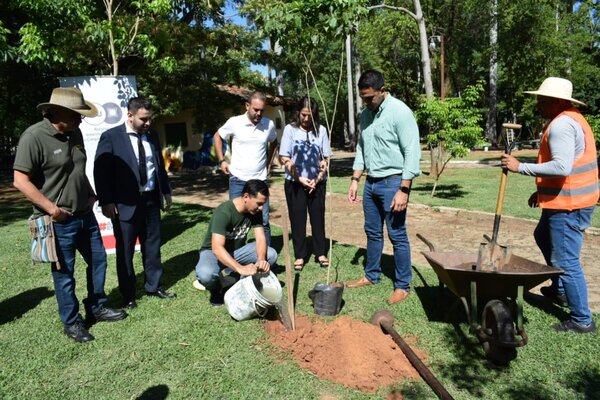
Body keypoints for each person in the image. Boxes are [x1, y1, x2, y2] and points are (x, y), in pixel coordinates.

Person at [13, 87, 127, 343]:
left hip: (85, 214)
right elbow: (20, 181)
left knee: (98, 262)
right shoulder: (34, 136)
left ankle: (97, 306)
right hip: (58, 221)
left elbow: (78, 168)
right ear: (56, 112)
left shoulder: (75, 132)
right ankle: (72, 322)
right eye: (76, 114)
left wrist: (89, 192)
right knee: (65, 275)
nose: (81, 119)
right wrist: (52, 209)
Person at [502, 77, 598, 334]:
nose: (538, 104)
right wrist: (542, 191)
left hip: (569, 204)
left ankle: (582, 320)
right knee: (542, 235)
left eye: (542, 100)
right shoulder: (573, 117)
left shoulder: (561, 126)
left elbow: (562, 166)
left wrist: (519, 166)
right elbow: (571, 164)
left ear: (558, 101)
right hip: (568, 198)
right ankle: (560, 290)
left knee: (566, 260)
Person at [346, 69, 421, 305]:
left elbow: (411, 151)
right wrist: (356, 179)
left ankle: (402, 285)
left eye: (370, 97)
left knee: (397, 235)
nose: (366, 102)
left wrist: (404, 189)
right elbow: (361, 147)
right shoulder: (366, 115)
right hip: (371, 183)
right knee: (372, 232)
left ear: (382, 90)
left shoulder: (400, 112)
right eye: (363, 98)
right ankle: (372, 275)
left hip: (393, 182)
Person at [94, 97, 175, 309]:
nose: (148, 123)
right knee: (126, 251)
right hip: (124, 204)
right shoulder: (111, 137)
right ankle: (128, 295)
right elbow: (100, 172)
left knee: (153, 246)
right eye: (143, 119)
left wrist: (165, 191)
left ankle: (154, 285)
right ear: (129, 115)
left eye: (150, 119)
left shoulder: (153, 135)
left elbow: (158, 165)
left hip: (150, 200)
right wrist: (107, 201)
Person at [194, 180, 278, 306]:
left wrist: (261, 259)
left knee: (271, 255)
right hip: (213, 253)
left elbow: (260, 238)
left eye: (263, 204)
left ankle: (233, 279)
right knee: (206, 274)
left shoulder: (255, 212)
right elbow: (217, 248)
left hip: (236, 252)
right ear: (246, 197)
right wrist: (241, 268)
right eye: (259, 204)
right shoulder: (224, 212)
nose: (261, 208)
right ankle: (217, 290)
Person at [213, 91, 278, 245]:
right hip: (238, 180)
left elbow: (274, 142)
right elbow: (217, 136)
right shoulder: (234, 122)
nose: (259, 113)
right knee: (235, 221)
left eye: (262, 110)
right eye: (255, 109)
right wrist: (222, 160)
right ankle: (233, 261)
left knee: (263, 221)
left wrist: (268, 164)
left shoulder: (268, 125)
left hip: (260, 180)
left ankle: (266, 261)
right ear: (247, 105)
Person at [279, 97, 332, 271]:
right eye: (303, 115)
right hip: (295, 183)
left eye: (310, 115)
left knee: (318, 217)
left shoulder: (321, 130)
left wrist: (319, 176)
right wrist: (299, 178)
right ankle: (300, 256)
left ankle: (320, 252)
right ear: (298, 112)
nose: (306, 119)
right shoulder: (290, 130)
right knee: (298, 219)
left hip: (317, 182)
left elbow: (325, 157)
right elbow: (284, 158)